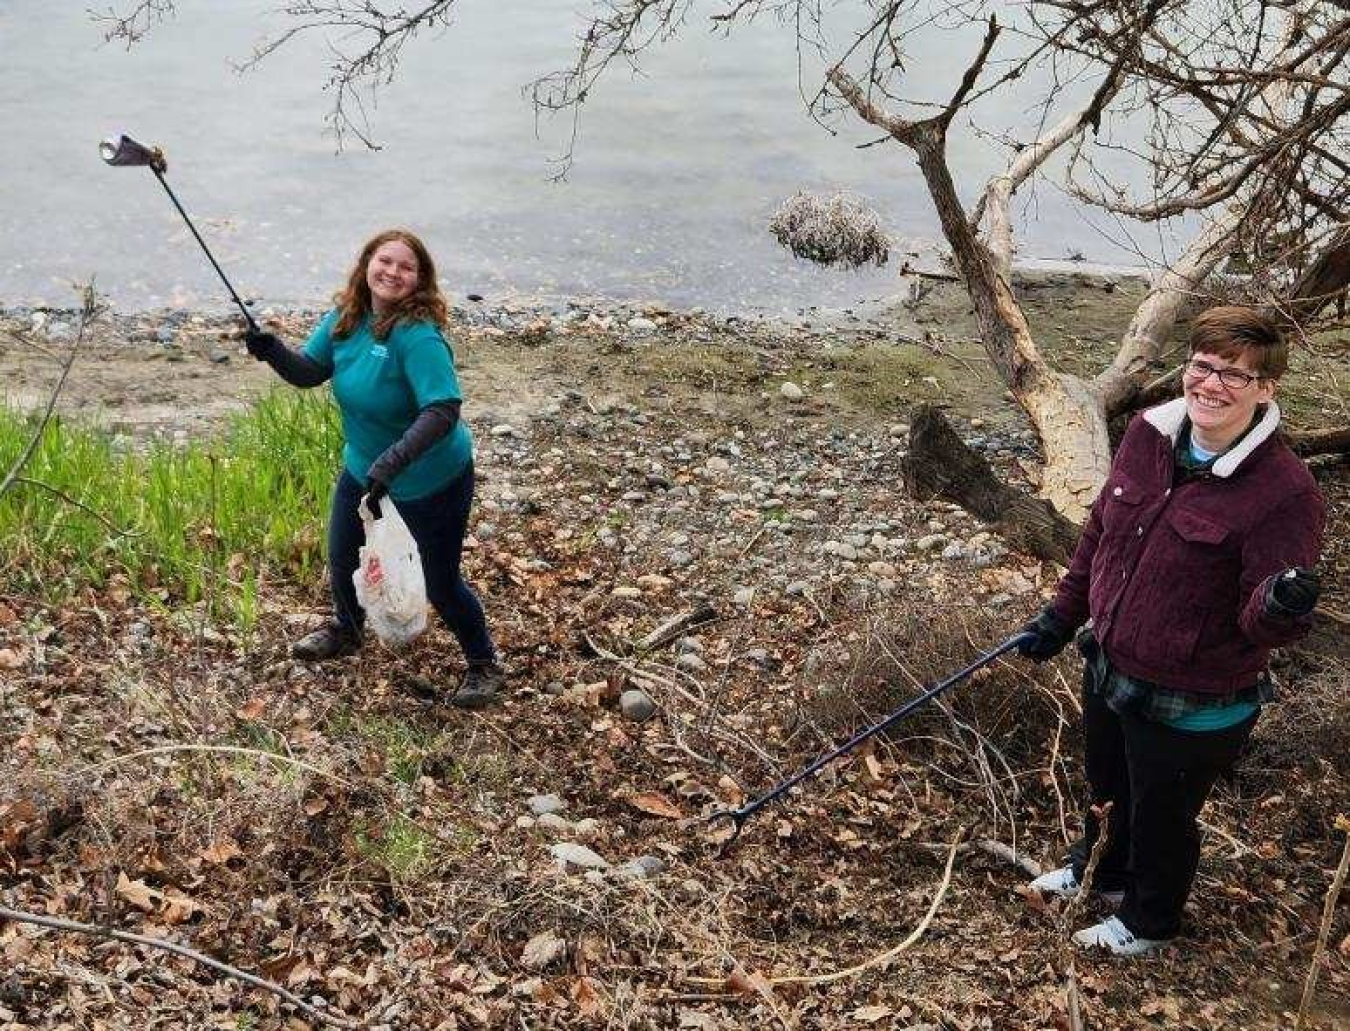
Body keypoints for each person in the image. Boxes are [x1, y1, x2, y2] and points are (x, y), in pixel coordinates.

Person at [1017, 305, 1325, 955]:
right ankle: (1100, 873)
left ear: (1266, 388)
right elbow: (1100, 533)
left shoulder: (1285, 492)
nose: (1211, 384)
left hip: (1196, 697)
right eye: (1204, 365)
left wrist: (1284, 602)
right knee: (1108, 788)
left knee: (1162, 814)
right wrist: (1061, 615)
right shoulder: (1147, 436)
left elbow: (1261, 620)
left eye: (1235, 375)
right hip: (1111, 662)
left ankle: (1148, 921)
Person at [244, 228, 504, 709]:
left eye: (406, 268)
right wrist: (273, 351)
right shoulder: (348, 317)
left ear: (419, 280)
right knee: (342, 558)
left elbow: (443, 409)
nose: (392, 273)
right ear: (367, 263)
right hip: (365, 469)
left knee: (441, 582)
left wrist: (394, 461)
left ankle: (483, 663)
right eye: (385, 261)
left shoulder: (418, 336)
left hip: (431, 479)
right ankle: (348, 629)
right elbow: (311, 371)